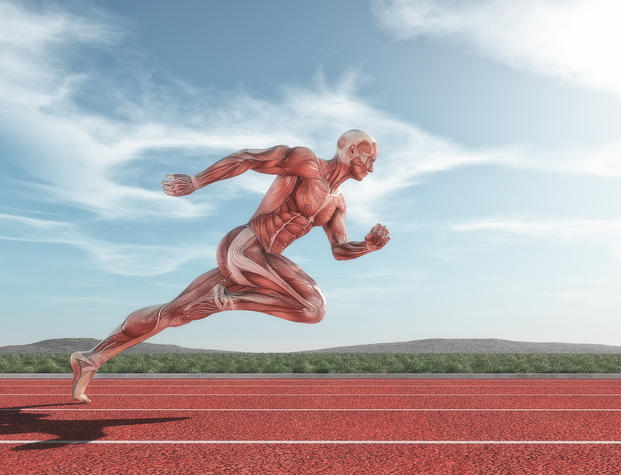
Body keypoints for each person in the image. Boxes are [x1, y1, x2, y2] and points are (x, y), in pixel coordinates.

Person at [70, 129, 390, 403]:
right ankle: (228, 301)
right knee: (313, 307)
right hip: (245, 247)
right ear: (350, 151)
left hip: (262, 267)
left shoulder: (337, 203)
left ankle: (91, 358)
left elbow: (339, 249)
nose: (372, 168)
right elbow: (248, 158)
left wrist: (368, 246)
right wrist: (196, 181)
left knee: (173, 313)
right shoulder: (306, 163)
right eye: (369, 159)